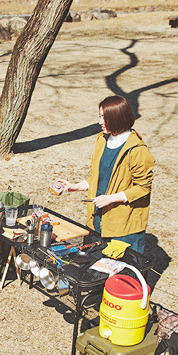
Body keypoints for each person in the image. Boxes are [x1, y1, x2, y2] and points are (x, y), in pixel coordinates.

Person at [54, 95, 155, 255]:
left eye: (104, 117)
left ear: (118, 118)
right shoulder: (102, 140)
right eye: (100, 116)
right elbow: (99, 176)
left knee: (121, 275)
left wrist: (111, 198)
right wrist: (75, 187)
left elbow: (143, 188)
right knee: (94, 269)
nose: (100, 122)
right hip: (97, 220)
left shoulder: (137, 150)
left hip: (123, 226)